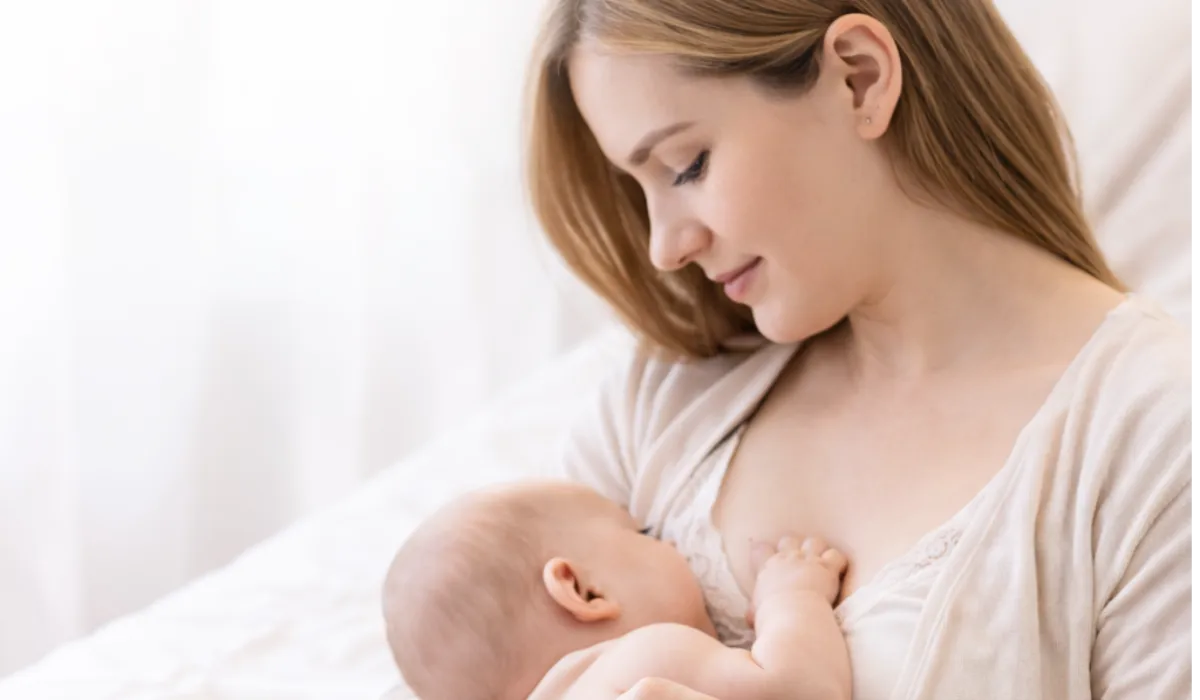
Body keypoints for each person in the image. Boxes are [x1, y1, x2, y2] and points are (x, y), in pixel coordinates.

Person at [522, 0, 1192, 698]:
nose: (665, 247)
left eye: (686, 165)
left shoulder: (1153, 442)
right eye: (640, 188)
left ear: (859, 79)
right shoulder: (664, 400)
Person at [381, 479, 852, 699]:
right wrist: (792, 596)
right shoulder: (644, 657)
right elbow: (803, 691)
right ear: (583, 591)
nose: (671, 542)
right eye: (642, 533)